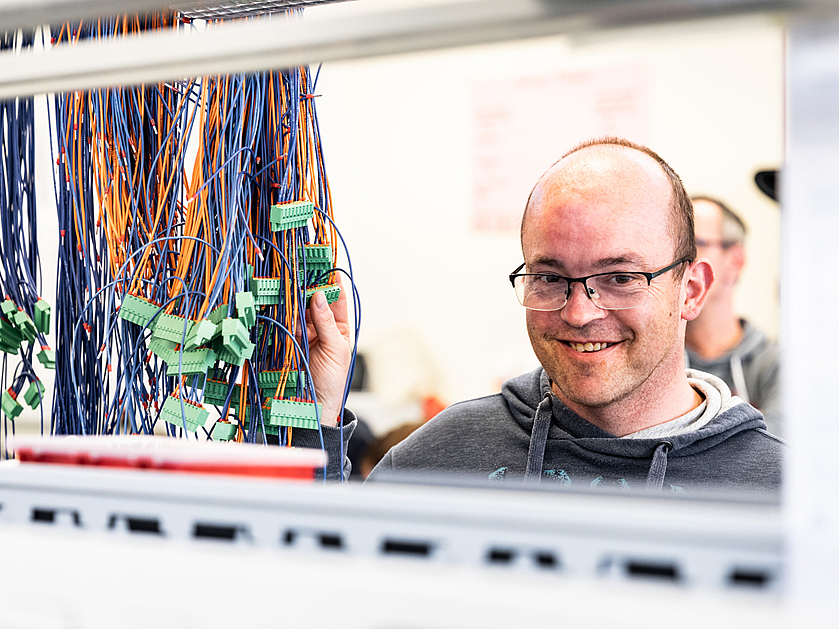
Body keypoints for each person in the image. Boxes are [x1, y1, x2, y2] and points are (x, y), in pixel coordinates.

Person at [353, 137, 783, 492]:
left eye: (619, 278)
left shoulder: (781, 491)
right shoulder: (435, 464)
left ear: (691, 291)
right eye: (550, 278)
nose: (579, 313)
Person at [685, 197, 781, 436]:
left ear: (735, 260)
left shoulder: (778, 363)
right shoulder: (651, 360)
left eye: (695, 243)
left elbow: (776, 458)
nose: (679, 258)